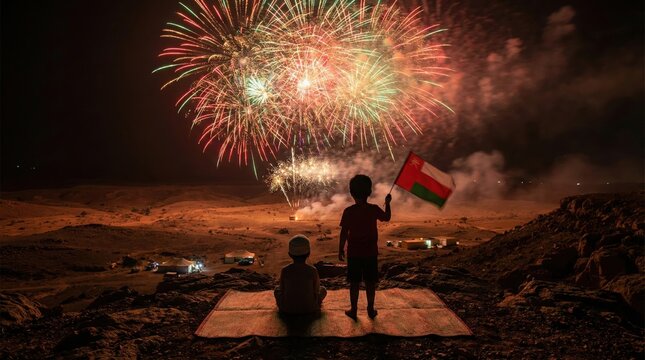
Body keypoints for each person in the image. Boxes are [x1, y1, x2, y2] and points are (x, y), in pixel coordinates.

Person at [339, 174, 391, 320]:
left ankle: (354, 310)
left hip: (354, 254)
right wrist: (387, 203)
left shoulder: (348, 211)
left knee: (354, 283)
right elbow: (387, 217)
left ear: (351, 193)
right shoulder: (373, 209)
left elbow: (343, 232)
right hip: (370, 253)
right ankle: (370, 309)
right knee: (370, 283)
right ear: (369, 192)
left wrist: (340, 249)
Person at [274, 235, 327, 315]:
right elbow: (316, 290)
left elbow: (282, 289)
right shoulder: (312, 270)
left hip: (287, 309)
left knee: (276, 290)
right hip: (310, 308)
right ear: (308, 253)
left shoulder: (285, 270)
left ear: (290, 254)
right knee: (323, 290)